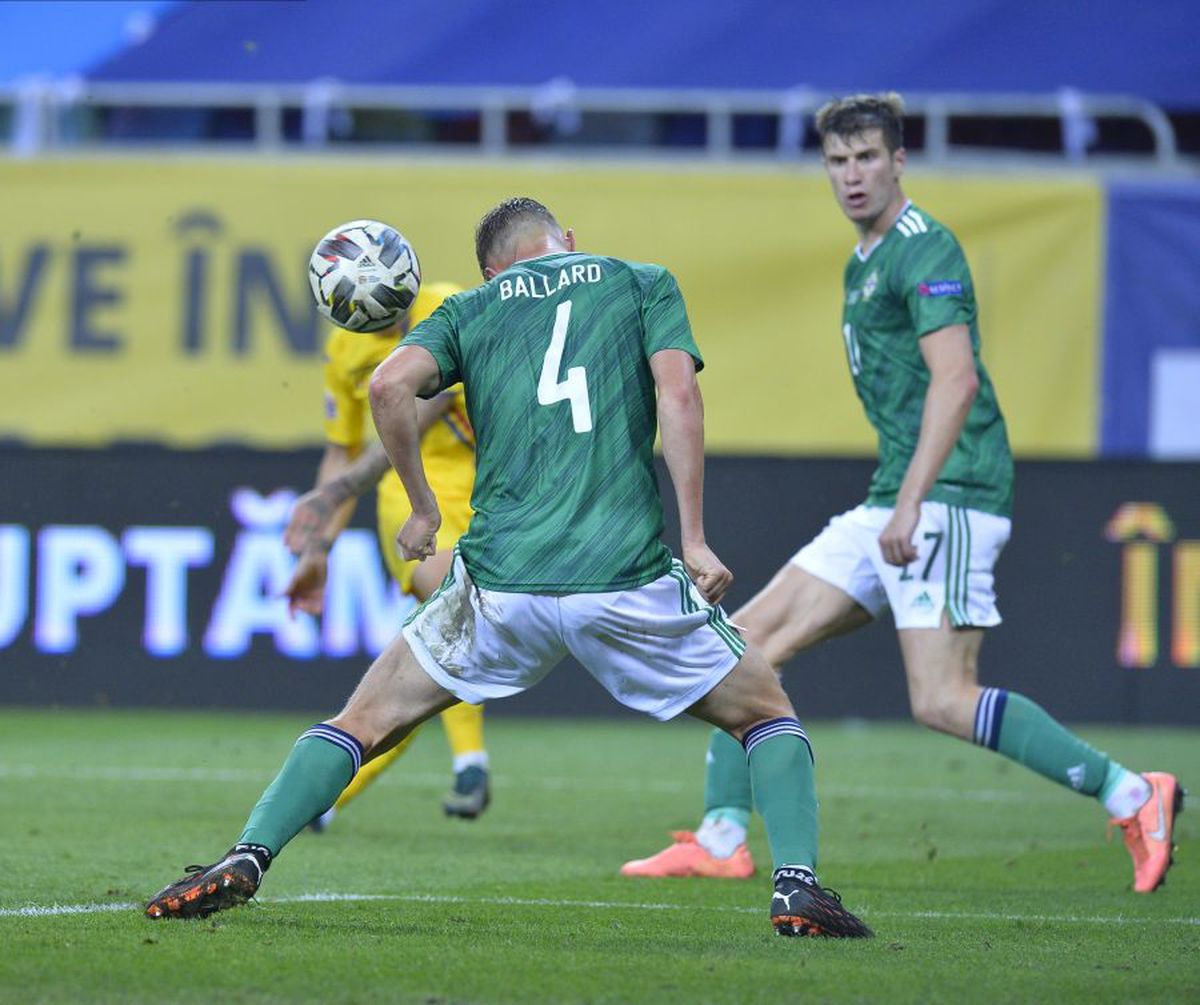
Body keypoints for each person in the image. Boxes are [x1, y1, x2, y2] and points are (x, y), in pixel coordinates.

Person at [145, 197, 871, 938]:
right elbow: (678, 394)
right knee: (765, 712)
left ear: (493, 270)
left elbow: (390, 386)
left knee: (362, 721)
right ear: (569, 242)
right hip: (619, 569)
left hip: (498, 579)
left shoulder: (474, 307)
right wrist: (695, 538)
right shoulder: (641, 280)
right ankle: (797, 888)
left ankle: (247, 854)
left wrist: (422, 508)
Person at [621, 94, 1183, 894]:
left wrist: (915, 500)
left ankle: (1133, 793)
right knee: (740, 642)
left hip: (947, 494)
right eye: (838, 162)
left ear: (899, 162)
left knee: (944, 698)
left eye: (867, 158)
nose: (852, 176)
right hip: (896, 494)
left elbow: (956, 381)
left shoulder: (925, 248)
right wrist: (899, 496)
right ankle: (721, 835)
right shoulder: (865, 261)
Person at [283, 279, 491, 824]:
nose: (380, 327)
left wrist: (335, 492)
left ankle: (330, 794)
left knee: (434, 654)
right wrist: (320, 546)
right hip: (410, 490)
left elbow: (426, 405)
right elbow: (342, 448)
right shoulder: (344, 351)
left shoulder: (450, 306)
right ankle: (472, 760)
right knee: (456, 606)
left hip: (495, 488)